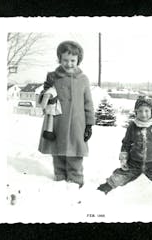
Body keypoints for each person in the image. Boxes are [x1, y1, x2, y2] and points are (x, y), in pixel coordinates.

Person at [97, 95, 152, 194]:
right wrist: (124, 158)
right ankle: (107, 186)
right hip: (134, 163)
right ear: (136, 112)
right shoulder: (132, 126)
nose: (143, 114)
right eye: (140, 111)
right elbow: (126, 143)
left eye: (146, 111)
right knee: (120, 176)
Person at [38, 40, 94, 189]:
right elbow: (43, 99)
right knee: (58, 153)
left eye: (73, 60)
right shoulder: (53, 77)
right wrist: (46, 91)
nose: (69, 64)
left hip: (77, 124)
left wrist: (89, 124)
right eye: (65, 60)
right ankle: (60, 180)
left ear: (78, 60)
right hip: (56, 123)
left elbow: (88, 102)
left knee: (75, 154)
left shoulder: (83, 79)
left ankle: (75, 183)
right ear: (59, 59)